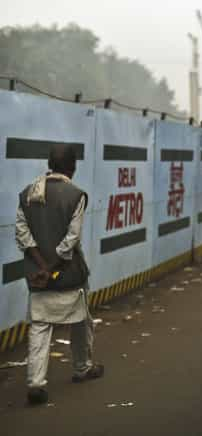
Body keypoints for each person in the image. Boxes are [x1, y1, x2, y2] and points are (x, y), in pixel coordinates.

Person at [15, 143, 103, 405]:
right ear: (72, 167)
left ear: (50, 165)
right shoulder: (75, 195)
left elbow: (23, 236)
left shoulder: (27, 193)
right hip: (67, 274)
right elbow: (71, 240)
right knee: (80, 321)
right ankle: (82, 368)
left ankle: (36, 383)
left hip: (37, 275)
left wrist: (41, 267)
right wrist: (52, 268)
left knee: (40, 327)